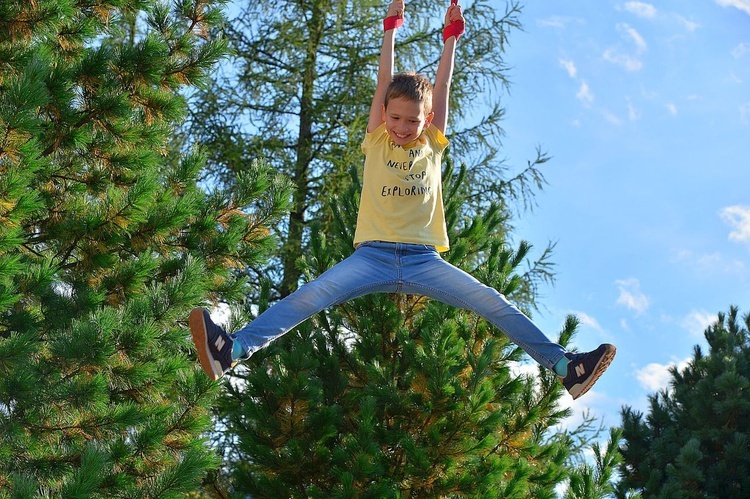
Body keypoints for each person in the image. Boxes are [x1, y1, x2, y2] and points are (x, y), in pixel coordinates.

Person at [189, 0, 615, 400]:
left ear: (427, 120)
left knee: (491, 302)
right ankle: (233, 349)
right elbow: (383, 80)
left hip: (423, 260)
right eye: (395, 117)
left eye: (412, 120)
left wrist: (451, 38)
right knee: (309, 296)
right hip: (371, 257)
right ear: (385, 114)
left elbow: (443, 84)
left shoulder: (432, 141)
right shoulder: (376, 139)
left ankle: (565, 368)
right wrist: (390, 27)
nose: (401, 126)